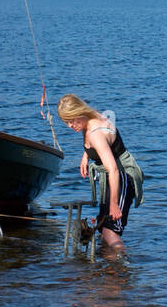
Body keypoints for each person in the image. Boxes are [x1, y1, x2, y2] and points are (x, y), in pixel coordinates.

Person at [57, 94, 144, 248]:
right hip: (112, 177)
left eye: (71, 121)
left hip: (123, 176)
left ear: (80, 113)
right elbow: (102, 144)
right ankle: (110, 269)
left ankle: (123, 266)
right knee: (103, 226)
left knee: (110, 231)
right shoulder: (92, 118)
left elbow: (114, 169)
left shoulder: (95, 134)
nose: (70, 126)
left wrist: (114, 204)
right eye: (66, 122)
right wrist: (86, 155)